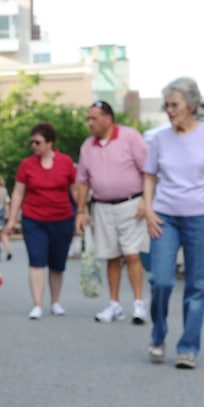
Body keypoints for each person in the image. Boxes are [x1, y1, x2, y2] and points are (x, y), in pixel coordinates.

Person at [142, 77, 204, 369]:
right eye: (166, 105)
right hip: (165, 216)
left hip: (202, 216)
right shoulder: (159, 139)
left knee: (197, 284)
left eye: (174, 105)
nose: (169, 110)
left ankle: (188, 347)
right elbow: (150, 176)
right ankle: (158, 334)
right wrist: (149, 209)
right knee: (161, 281)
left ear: (191, 106)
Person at [75, 100, 150, 324]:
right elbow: (82, 181)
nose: (90, 123)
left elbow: (148, 170)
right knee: (111, 256)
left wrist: (147, 200)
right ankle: (114, 304)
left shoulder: (130, 137)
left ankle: (138, 303)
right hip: (102, 206)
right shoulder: (88, 146)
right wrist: (81, 211)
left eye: (94, 118)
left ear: (108, 118)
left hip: (131, 204)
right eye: (88, 118)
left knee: (132, 254)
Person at [3, 122, 77, 320]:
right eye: (32, 142)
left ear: (50, 143)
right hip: (34, 220)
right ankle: (37, 304)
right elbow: (18, 192)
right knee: (36, 260)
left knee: (57, 263)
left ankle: (55, 301)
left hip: (62, 219)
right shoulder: (27, 164)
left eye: (38, 142)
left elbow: (74, 190)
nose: (34, 146)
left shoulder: (66, 162)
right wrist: (11, 220)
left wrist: (82, 215)